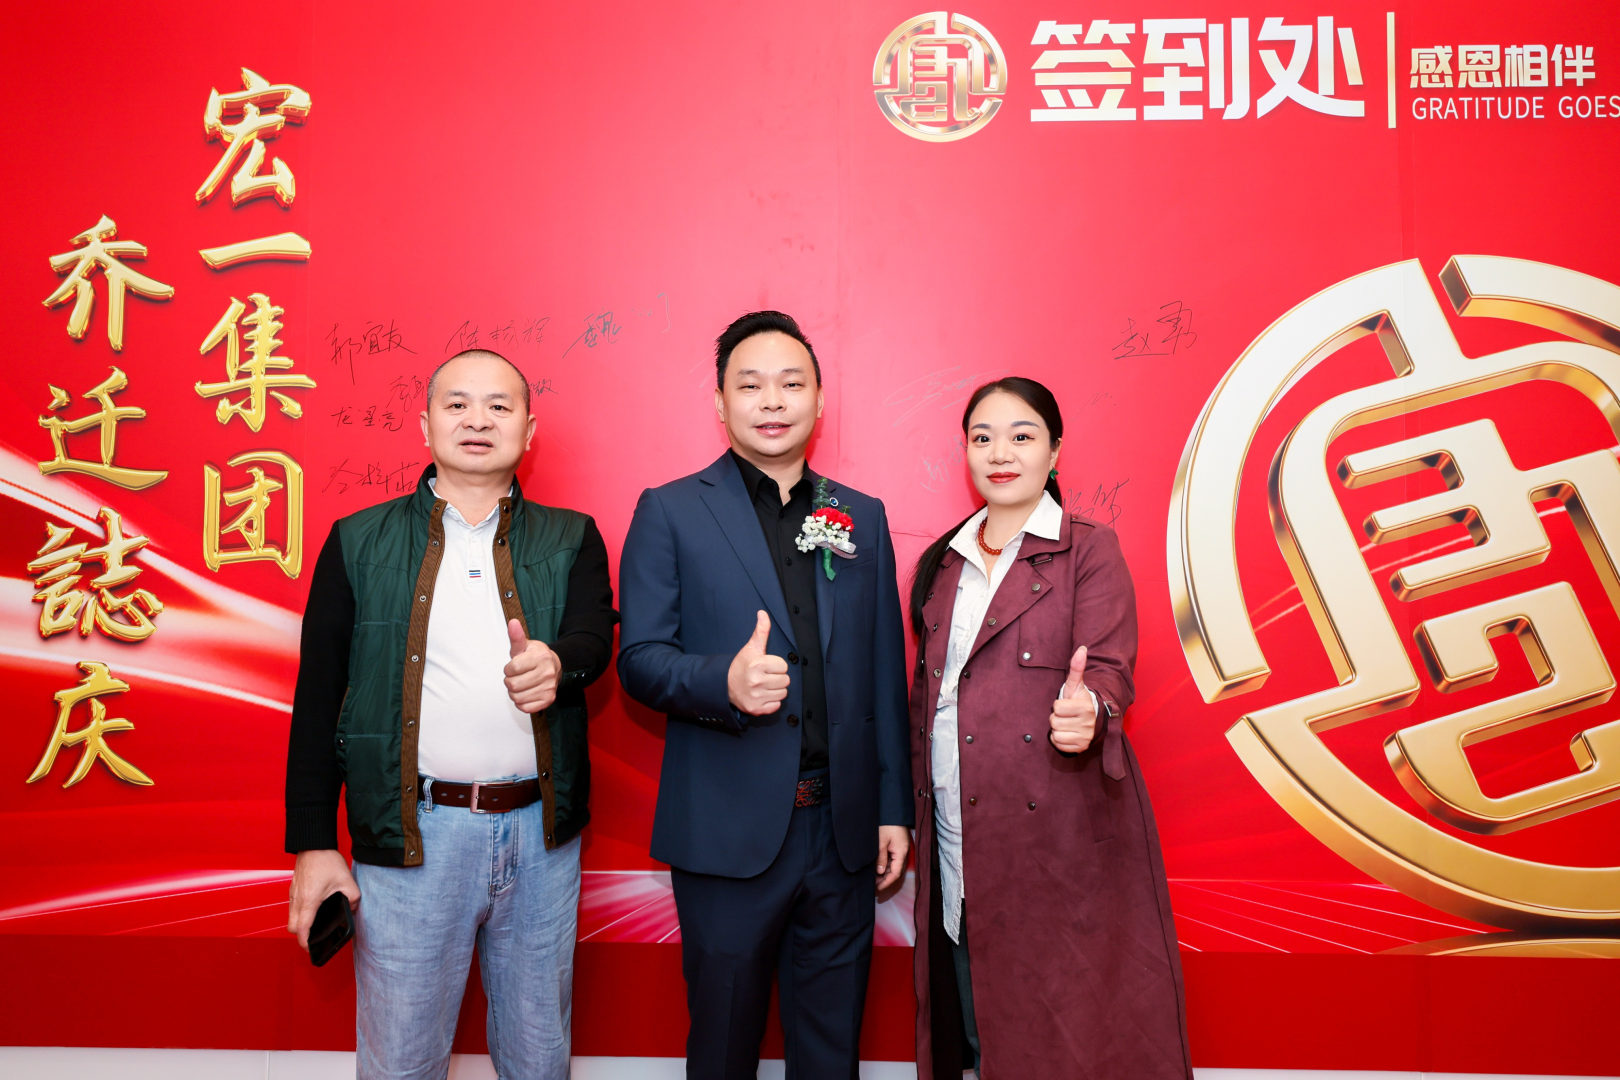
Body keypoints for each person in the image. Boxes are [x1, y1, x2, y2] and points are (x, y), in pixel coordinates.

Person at [283, 348, 617, 1080]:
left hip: (541, 839)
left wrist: (560, 665)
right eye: (457, 404)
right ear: (426, 423)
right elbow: (318, 698)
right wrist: (312, 842)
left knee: (538, 1061)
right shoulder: (357, 540)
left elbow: (596, 637)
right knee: (402, 1063)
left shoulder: (572, 536)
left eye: (499, 406)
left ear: (529, 429)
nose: (477, 420)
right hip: (413, 838)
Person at [617, 310, 913, 1080]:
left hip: (842, 836)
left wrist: (892, 808)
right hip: (726, 836)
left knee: (831, 1056)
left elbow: (884, 674)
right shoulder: (670, 510)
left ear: (820, 399)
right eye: (750, 385)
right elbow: (639, 661)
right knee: (723, 1051)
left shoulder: (860, 516)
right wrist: (722, 681)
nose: (772, 401)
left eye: (791, 383)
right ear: (720, 402)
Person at [908, 377, 1191, 1080]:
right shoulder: (941, 564)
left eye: (1022, 435)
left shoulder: (1089, 550)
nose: (1000, 453)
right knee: (977, 1023)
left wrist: (1089, 710)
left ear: (1055, 450)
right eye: (982, 438)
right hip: (955, 835)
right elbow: (926, 701)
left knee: (1064, 1038)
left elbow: (1110, 671)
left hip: (1055, 843)